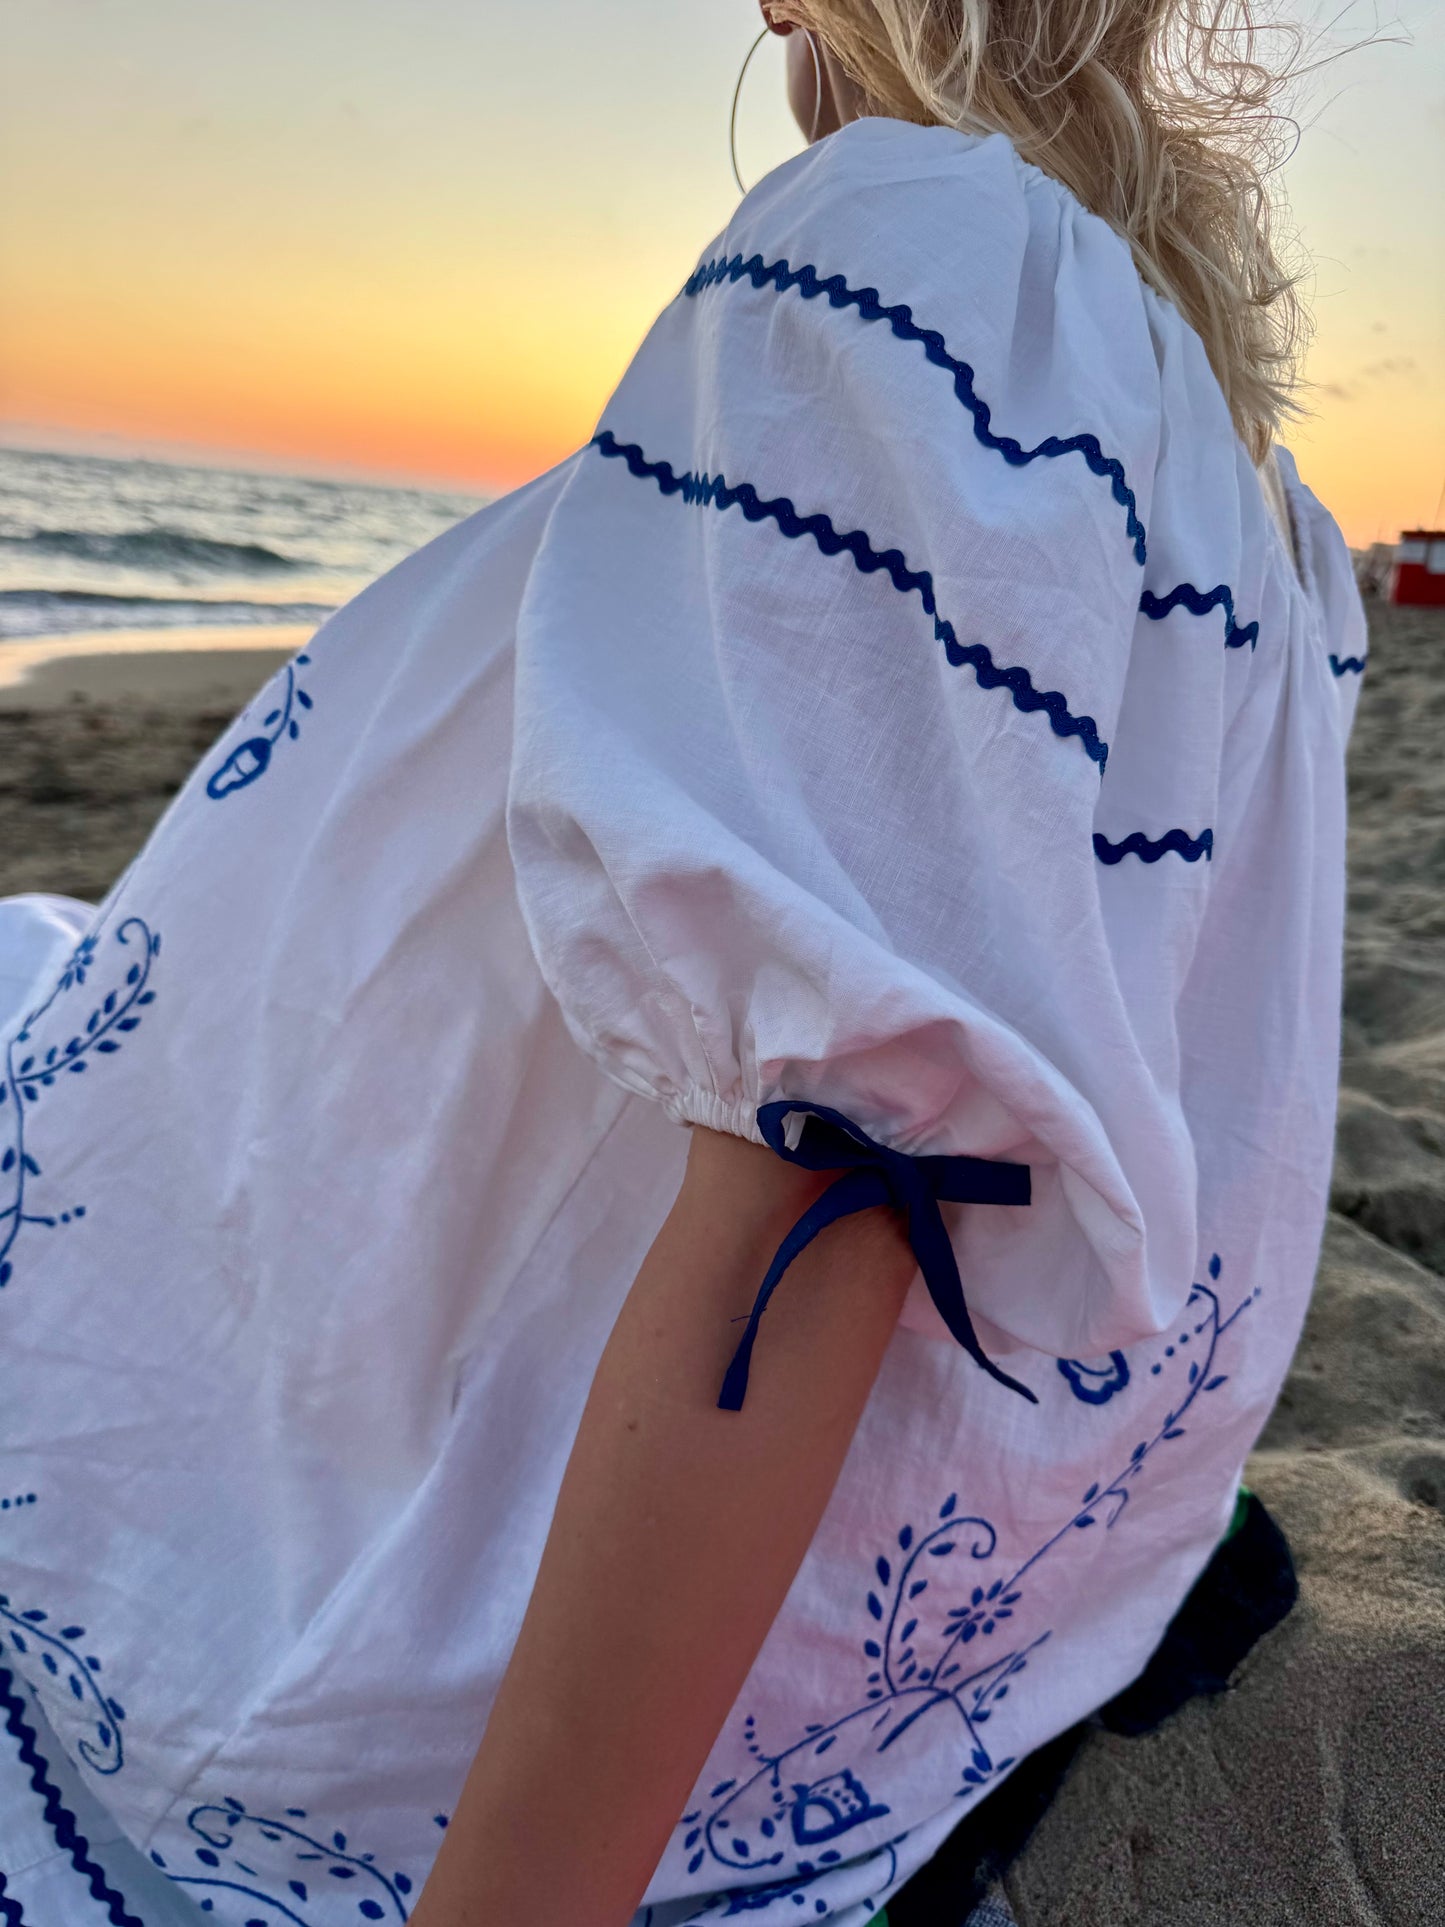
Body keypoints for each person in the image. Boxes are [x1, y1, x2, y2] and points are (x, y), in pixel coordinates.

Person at [0, 2, 1368, 1923]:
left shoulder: (916, 250)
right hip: (985, 1502)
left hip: (519, 1462)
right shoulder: (1237, 456)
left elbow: (835, 1169)